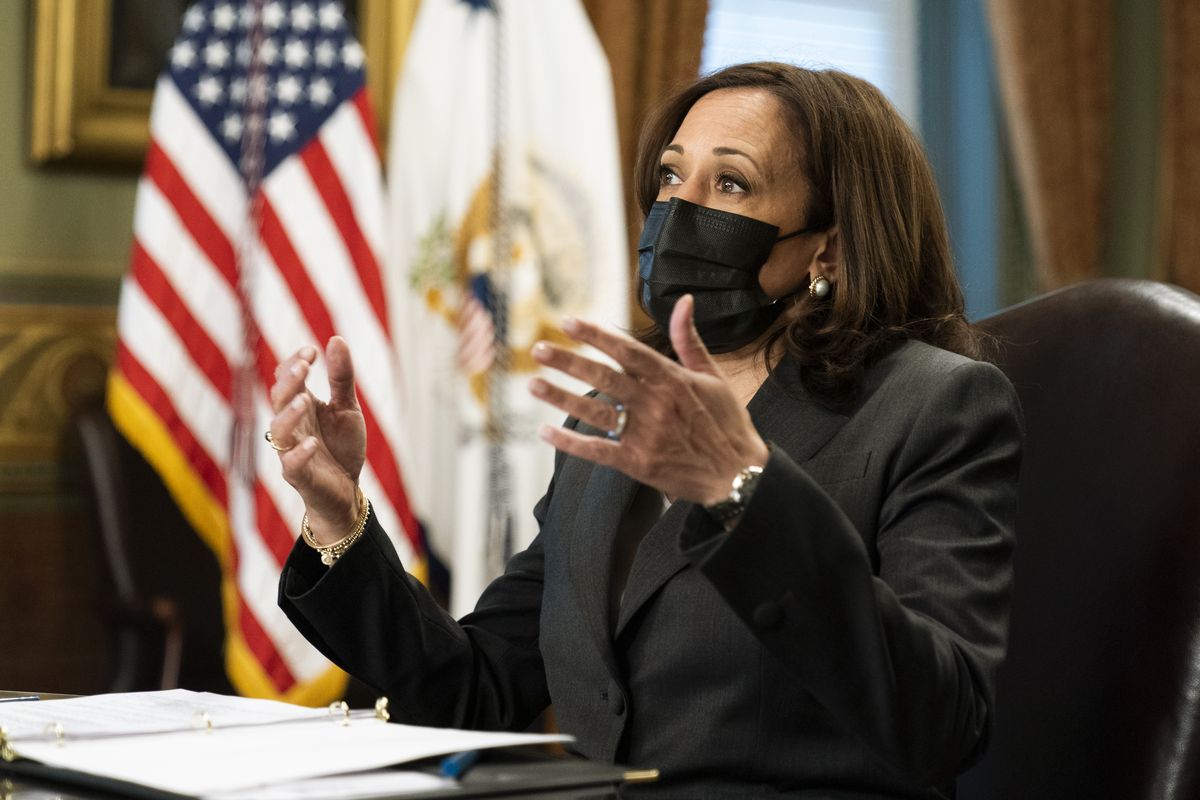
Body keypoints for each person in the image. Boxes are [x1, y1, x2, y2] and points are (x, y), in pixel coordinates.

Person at [269, 62, 1022, 798]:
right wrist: (339, 518)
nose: (678, 209)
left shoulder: (935, 405)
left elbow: (941, 723)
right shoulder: (620, 407)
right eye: (669, 176)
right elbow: (477, 686)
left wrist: (743, 492)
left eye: (731, 183)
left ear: (826, 245)